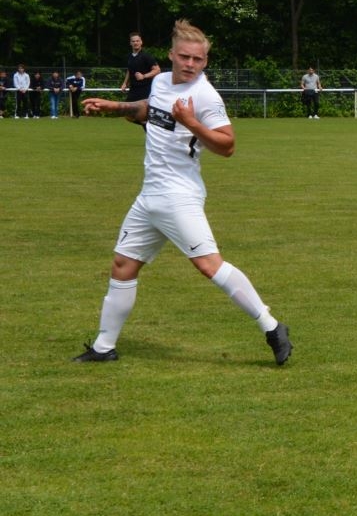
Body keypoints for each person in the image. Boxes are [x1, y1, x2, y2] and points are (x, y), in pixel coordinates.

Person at [74, 20, 292, 366]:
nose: (191, 64)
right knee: (123, 265)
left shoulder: (205, 95)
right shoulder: (160, 81)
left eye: (198, 59)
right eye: (185, 57)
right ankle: (103, 347)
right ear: (171, 55)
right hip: (149, 196)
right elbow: (150, 110)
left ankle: (272, 326)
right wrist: (114, 107)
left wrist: (191, 122)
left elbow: (228, 145)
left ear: (205, 61)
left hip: (178, 196)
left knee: (208, 265)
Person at [121, 31, 161, 103]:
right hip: (133, 89)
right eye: (133, 41)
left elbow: (157, 70)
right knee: (128, 108)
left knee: (142, 110)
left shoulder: (146, 56)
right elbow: (129, 70)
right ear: (130, 43)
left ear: (141, 42)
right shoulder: (129, 56)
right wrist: (125, 83)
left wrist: (143, 76)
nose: (135, 43)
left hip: (145, 90)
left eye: (137, 41)